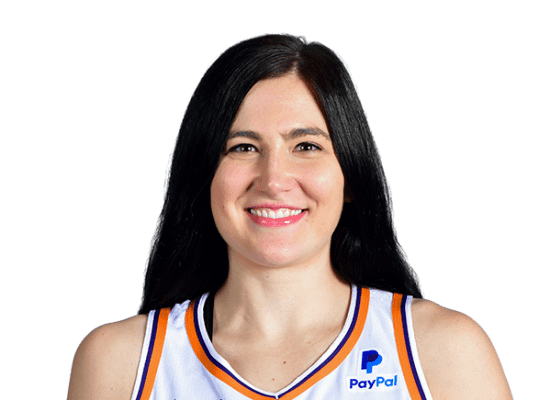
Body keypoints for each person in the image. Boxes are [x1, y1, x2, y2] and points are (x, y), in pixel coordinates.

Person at [67, 33, 513, 400]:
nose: (274, 180)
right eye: (243, 147)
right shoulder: (121, 364)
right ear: (203, 174)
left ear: (351, 176)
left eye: (306, 146)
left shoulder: (441, 351)